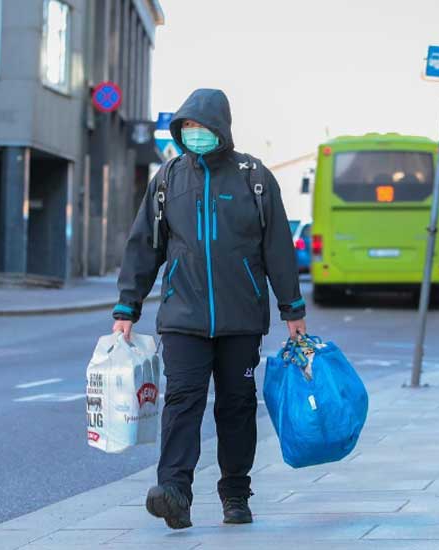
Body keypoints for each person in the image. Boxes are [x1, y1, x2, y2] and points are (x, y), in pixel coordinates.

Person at [111, 89, 306, 529]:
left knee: (236, 405)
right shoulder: (168, 180)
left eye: (202, 127)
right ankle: (174, 491)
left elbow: (277, 247)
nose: (195, 134)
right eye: (188, 128)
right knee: (181, 402)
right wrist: (127, 306)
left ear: (221, 128)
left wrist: (292, 309)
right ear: (180, 131)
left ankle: (236, 493)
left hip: (240, 319)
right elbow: (144, 246)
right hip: (183, 318)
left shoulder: (253, 177)